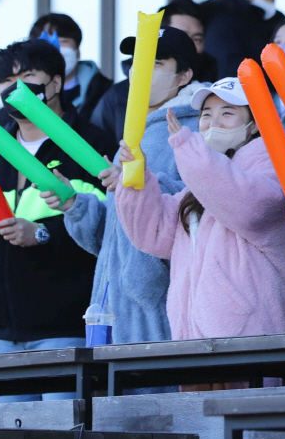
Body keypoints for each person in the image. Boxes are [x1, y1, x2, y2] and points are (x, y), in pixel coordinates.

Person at [0, 40, 113, 399]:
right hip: (2, 331)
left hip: (66, 324)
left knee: (61, 438)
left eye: (28, 76)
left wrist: (41, 234)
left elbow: (110, 229)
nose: (16, 88)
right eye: (6, 81)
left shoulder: (91, 146)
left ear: (56, 83)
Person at [100, 77, 285, 349]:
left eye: (227, 113)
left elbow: (251, 208)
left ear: (255, 123)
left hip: (248, 333)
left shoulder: (279, 155)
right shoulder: (201, 177)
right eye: (206, 114)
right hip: (192, 336)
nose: (213, 122)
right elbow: (155, 235)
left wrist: (190, 151)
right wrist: (136, 183)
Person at [56, 27, 204, 344]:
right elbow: (114, 235)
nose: (140, 72)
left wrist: (140, 184)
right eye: (135, 63)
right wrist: (75, 205)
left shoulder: (198, 128)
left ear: (185, 76)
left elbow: (198, 210)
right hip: (111, 308)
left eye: (156, 63)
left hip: (160, 312)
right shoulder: (134, 130)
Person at [29, 14, 112, 125]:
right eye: (46, 42)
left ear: (77, 51)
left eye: (63, 41)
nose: (55, 48)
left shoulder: (106, 95)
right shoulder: (21, 98)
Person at [164, 0, 218, 83]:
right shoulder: (140, 70)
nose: (189, 45)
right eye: (181, 37)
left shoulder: (209, 69)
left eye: (196, 39)